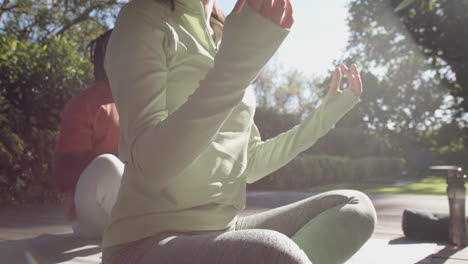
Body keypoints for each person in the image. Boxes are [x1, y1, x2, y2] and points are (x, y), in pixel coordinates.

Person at [102, 0, 377, 263]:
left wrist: (323, 118)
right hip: (145, 243)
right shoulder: (143, 18)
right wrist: (236, 63)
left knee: (354, 208)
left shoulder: (225, 36)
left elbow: (250, 163)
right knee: (273, 255)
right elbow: (152, 167)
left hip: (225, 231)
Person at [53, 29, 123, 239]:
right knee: (107, 166)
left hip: (144, 205)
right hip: (94, 214)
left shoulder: (155, 97)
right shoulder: (85, 103)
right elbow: (64, 176)